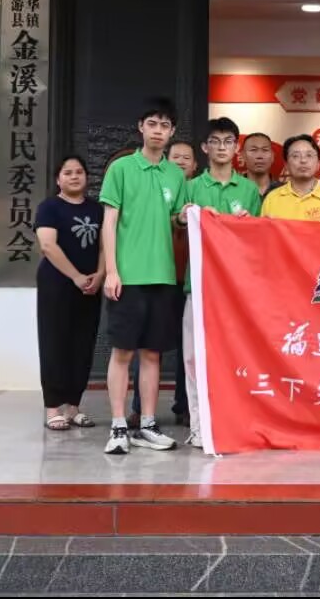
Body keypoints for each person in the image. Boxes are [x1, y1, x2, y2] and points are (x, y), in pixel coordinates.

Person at [99, 97, 187, 455]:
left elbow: (176, 219)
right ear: (141, 127)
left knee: (152, 355)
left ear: (172, 131)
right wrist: (112, 271)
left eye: (165, 125)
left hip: (163, 276)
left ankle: (147, 424)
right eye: (152, 123)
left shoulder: (176, 175)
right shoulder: (121, 168)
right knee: (122, 352)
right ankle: (119, 425)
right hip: (128, 277)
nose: (158, 131)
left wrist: (186, 216)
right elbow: (109, 221)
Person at [173, 118, 263, 449]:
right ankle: (199, 425)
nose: (222, 147)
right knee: (194, 359)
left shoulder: (249, 190)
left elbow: (259, 240)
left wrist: (247, 225)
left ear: (236, 148)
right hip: (198, 286)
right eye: (215, 141)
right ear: (205, 147)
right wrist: (186, 215)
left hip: (236, 291)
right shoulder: (192, 186)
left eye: (228, 141)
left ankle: (234, 424)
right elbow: (177, 221)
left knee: (236, 357)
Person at [130, 139, 198, 430]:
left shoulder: (197, 191)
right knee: (147, 345)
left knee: (189, 349)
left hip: (191, 282)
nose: (181, 161)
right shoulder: (155, 189)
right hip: (157, 277)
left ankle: (185, 406)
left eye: (187, 158)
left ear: (195, 166)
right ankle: (139, 409)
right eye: (176, 157)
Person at [34, 155, 104, 432]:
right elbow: (48, 246)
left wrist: (100, 274)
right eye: (68, 172)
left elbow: (104, 244)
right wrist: (75, 276)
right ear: (58, 179)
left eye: (79, 172)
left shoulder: (97, 209)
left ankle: (73, 407)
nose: (74, 176)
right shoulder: (49, 207)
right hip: (57, 285)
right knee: (55, 344)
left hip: (90, 286)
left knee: (83, 345)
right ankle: (53, 408)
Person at [262, 135, 320, 223]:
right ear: (286, 165)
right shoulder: (272, 199)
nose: (303, 160)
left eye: (309, 155)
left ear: (318, 163)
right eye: (295, 156)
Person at [242, 132, 283, 198]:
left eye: (265, 150)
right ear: (243, 156)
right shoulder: (233, 190)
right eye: (253, 150)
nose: (259, 156)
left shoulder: (284, 190)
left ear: (272, 156)